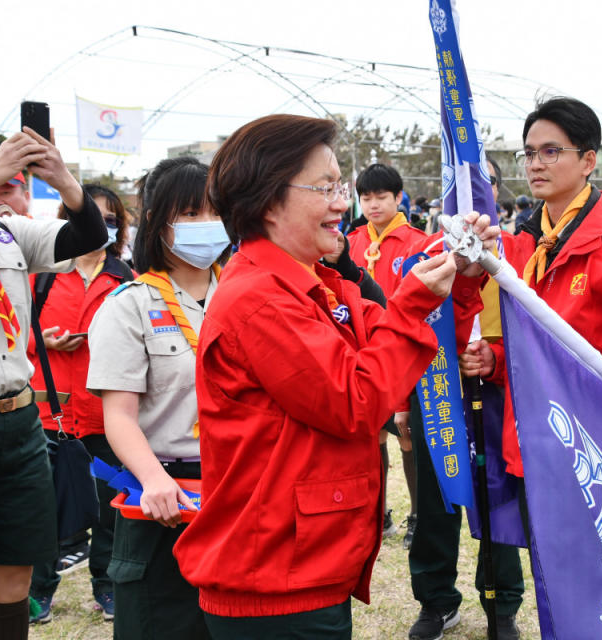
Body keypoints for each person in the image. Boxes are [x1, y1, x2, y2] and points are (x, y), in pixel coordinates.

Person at [172, 113, 495, 639]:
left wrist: (459, 277)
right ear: (269, 201)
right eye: (325, 188)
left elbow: (391, 332)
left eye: (339, 186)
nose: (344, 203)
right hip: (274, 583)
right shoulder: (259, 299)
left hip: (301, 569)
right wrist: (414, 305)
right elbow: (356, 401)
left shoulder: (317, 286)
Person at [0, 112, 106, 640]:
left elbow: (89, 234)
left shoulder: (5, 231)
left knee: (16, 574)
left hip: (19, 427)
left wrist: (62, 179)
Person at [464, 96, 602, 484]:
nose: (535, 164)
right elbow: (538, 356)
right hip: (531, 446)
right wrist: (497, 362)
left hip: (596, 459)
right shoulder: (523, 246)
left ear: (588, 161)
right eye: (528, 154)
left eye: (551, 151)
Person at [86, 157, 228, 640]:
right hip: (167, 499)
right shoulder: (130, 305)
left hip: (240, 494)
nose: (206, 224)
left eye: (214, 211)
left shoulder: (246, 297)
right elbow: (119, 416)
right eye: (190, 213)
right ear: (157, 221)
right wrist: (154, 482)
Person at [406, 156, 525, 640]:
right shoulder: (429, 253)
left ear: (497, 192)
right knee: (436, 502)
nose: (473, 201)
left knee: (498, 498)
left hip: (498, 392)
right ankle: (436, 602)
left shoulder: (521, 250)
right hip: (439, 392)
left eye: (485, 187)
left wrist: (495, 359)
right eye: (460, 192)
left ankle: (503, 606)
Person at [26, 184, 134, 624]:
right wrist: (43, 342)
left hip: (108, 417)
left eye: (110, 218)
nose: (100, 225)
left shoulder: (126, 279)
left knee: (111, 509)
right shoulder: (45, 273)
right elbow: (13, 334)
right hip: (50, 416)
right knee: (45, 510)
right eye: (91, 216)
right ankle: (39, 590)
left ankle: (106, 587)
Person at [347, 163, 428, 548]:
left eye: (382, 196)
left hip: (404, 353)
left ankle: (417, 514)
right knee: (372, 434)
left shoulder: (416, 243)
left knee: (407, 432)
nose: (373, 204)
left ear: (399, 198)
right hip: (361, 354)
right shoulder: (350, 242)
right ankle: (379, 515)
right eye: (366, 198)